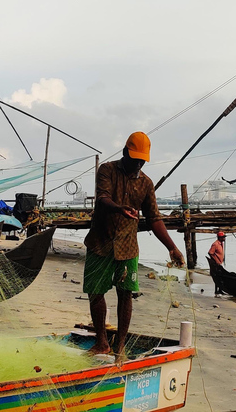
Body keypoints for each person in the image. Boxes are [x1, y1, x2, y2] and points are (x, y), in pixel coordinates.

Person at [83, 132, 185, 357]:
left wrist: (172, 247)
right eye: (134, 159)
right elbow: (102, 198)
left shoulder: (146, 183)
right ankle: (102, 342)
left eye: (142, 160)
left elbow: (154, 218)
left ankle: (120, 346)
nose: (138, 163)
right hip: (101, 241)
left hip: (127, 247)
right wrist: (120, 208)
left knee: (125, 294)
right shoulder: (107, 170)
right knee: (96, 292)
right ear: (124, 153)